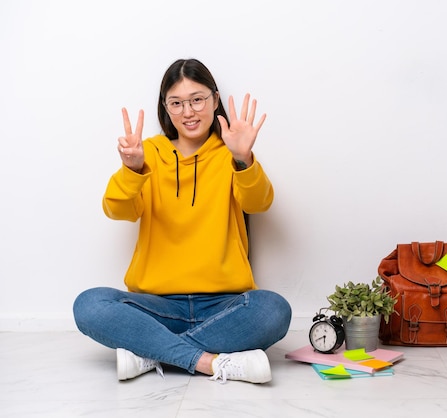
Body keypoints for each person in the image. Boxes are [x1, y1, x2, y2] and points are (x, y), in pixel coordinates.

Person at [73, 58, 291, 384]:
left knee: (274, 309)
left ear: (215, 100)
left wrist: (243, 159)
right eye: (176, 103)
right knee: (89, 304)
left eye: (197, 100)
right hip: (158, 308)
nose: (188, 112)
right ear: (166, 107)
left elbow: (259, 203)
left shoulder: (230, 152)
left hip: (223, 305)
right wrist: (132, 170)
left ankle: (150, 353)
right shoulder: (148, 153)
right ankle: (208, 362)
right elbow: (117, 210)